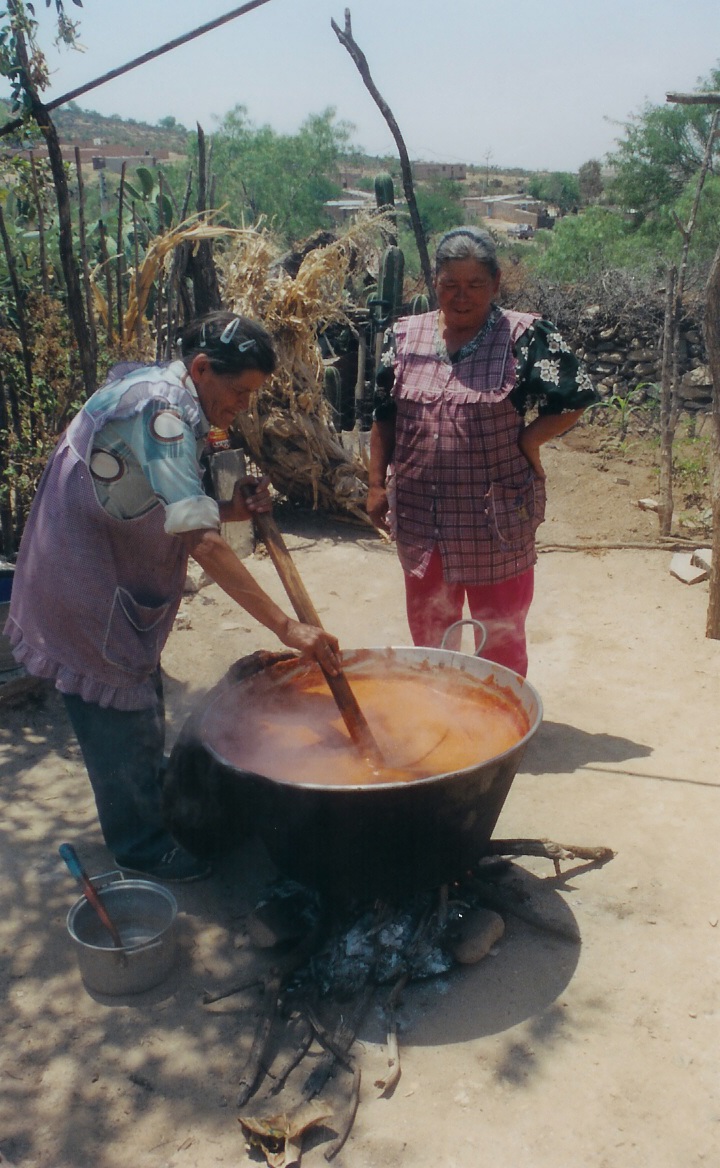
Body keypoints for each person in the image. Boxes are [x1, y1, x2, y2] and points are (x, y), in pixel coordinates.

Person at [5, 311, 341, 882]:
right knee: (117, 710)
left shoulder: (171, 395)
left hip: (99, 575)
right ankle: (140, 845)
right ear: (203, 367)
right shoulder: (161, 410)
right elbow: (202, 542)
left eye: (250, 395)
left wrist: (235, 505)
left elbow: (160, 494)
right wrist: (288, 629)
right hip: (84, 585)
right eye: (238, 392)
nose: (241, 406)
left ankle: (147, 792)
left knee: (135, 702)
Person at [367, 227, 598, 676]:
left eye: (475, 285)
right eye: (450, 284)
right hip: (421, 516)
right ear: (434, 283)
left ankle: (499, 723)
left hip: (494, 520)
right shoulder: (404, 335)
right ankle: (441, 717)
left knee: (501, 632)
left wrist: (529, 440)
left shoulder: (524, 337)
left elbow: (575, 396)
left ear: (495, 284)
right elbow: (384, 412)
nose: (461, 296)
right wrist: (376, 484)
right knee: (431, 631)